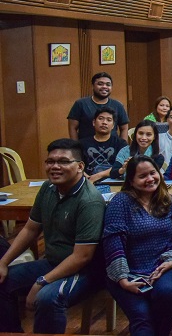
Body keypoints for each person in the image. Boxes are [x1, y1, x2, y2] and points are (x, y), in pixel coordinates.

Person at [0, 139, 106, 334]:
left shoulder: (89, 201)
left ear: (80, 166)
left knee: (47, 297)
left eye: (64, 162)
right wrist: (4, 263)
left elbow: (82, 257)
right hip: (53, 262)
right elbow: (31, 229)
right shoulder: (48, 188)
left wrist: (42, 281)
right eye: (50, 161)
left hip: (84, 271)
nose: (55, 166)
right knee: (2, 281)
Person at [103, 155, 172, 335]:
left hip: (161, 267)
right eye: (142, 176)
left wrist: (170, 261)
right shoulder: (121, 202)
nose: (150, 179)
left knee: (166, 295)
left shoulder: (168, 201)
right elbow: (113, 242)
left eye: (153, 173)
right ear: (131, 180)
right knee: (142, 317)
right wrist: (123, 279)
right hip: (127, 271)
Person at [68, 71, 130, 140]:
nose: (104, 87)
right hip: (86, 147)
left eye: (108, 84)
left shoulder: (118, 105)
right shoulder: (80, 104)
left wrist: (123, 148)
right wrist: (76, 148)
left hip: (112, 148)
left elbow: (124, 128)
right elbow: (72, 128)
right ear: (93, 86)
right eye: (100, 84)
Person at [79, 106, 128, 182]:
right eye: (101, 118)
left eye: (109, 120)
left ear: (113, 126)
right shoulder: (81, 143)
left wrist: (98, 176)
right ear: (94, 122)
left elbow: (122, 166)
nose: (104, 122)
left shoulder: (121, 144)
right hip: (86, 181)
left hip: (113, 182)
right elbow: (76, 164)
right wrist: (87, 179)